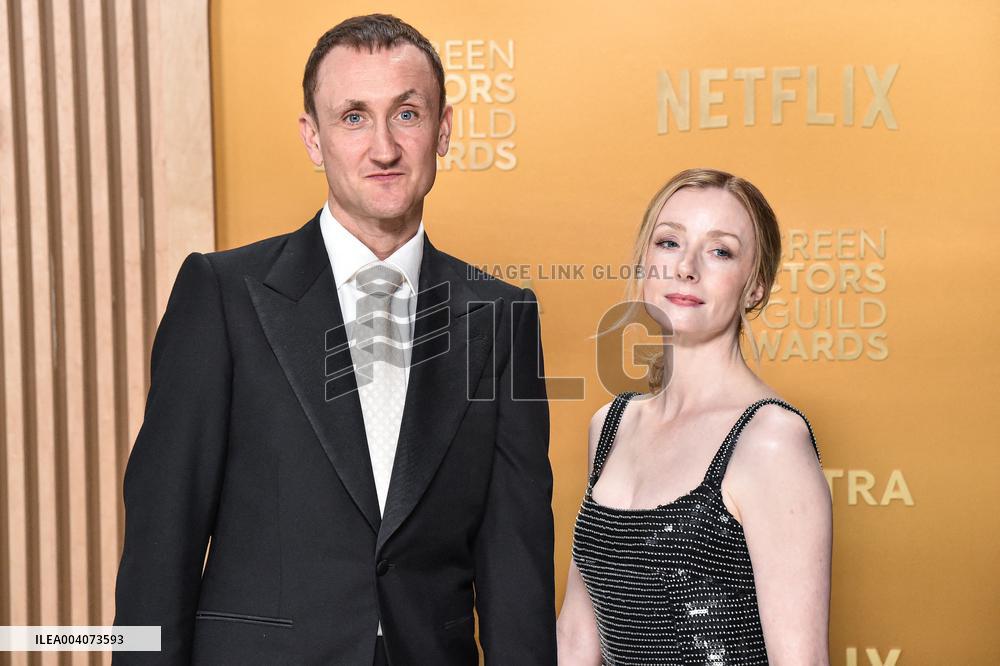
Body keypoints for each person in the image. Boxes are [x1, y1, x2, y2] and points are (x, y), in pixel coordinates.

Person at [113, 14, 556, 665]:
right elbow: (160, 546)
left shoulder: (502, 315)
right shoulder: (222, 295)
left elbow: (515, 565)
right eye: (353, 117)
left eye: (406, 114)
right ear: (313, 138)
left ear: (445, 129)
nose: (383, 148)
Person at [556, 168, 832, 665]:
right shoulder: (609, 425)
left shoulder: (770, 440)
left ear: (754, 287)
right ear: (645, 263)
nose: (686, 267)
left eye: (720, 250)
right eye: (668, 242)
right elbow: (576, 640)